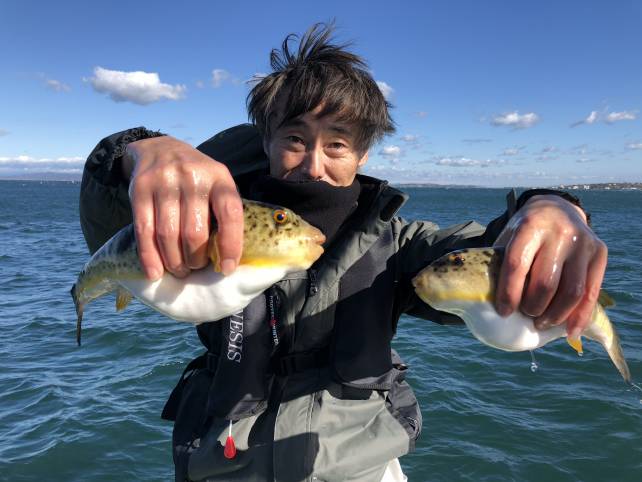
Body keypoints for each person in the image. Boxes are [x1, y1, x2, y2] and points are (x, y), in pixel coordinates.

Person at [78, 24, 607, 482]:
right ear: (265, 140)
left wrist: (549, 206)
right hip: (222, 463)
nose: (314, 164)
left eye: (336, 143)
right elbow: (111, 235)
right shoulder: (210, 221)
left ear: (363, 152)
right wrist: (136, 151)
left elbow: (477, 253)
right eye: (294, 139)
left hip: (363, 467)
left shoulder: (397, 244)